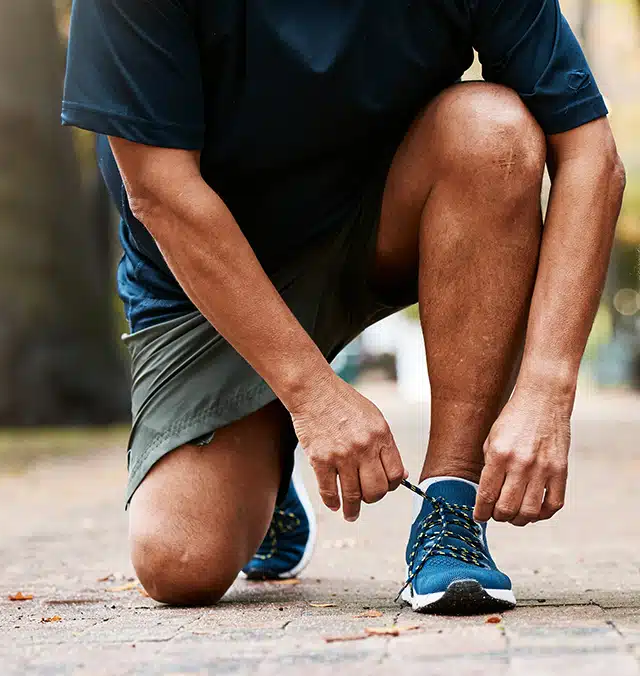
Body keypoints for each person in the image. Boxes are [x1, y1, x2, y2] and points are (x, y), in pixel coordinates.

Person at [62, 0, 625, 613]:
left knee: (494, 131)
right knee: (180, 563)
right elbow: (160, 193)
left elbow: (591, 156)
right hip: (208, 267)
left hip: (376, 218)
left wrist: (547, 389)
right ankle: (269, 448)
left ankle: (451, 508)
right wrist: (312, 396)